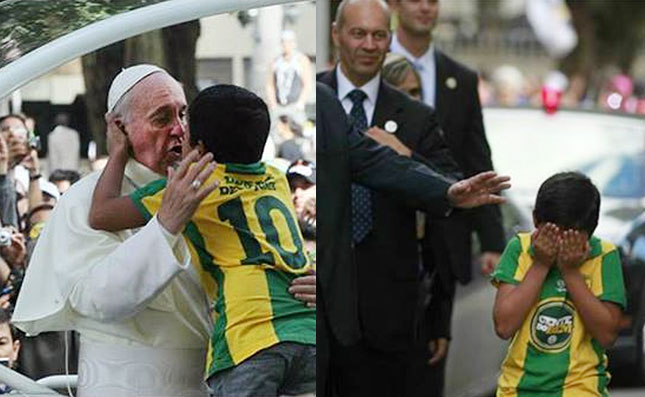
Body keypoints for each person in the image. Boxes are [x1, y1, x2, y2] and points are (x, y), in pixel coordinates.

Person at [12, 64, 315, 397]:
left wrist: (310, 286)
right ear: (120, 128)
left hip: (226, 373)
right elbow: (99, 299)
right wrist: (165, 224)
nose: (179, 130)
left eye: (184, 115)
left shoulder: (220, 183)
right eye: (162, 119)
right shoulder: (85, 198)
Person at [316, 80, 510, 395]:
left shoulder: (326, 105)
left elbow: (375, 162)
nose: (368, 45)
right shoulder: (324, 94)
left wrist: (446, 191)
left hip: (381, 315)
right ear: (337, 36)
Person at [319, 0, 464, 394]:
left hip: (389, 307)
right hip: (319, 300)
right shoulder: (311, 101)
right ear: (336, 35)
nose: (369, 44)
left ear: (390, 41)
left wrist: (404, 154)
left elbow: (450, 189)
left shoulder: (416, 116)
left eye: (379, 35)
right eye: (358, 33)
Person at [390, 1, 506, 394]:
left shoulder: (461, 78)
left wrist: (491, 240)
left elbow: (476, 157)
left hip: (441, 241)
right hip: (381, 235)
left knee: (430, 360)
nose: (424, 7)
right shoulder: (366, 65)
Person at [491, 172, 625, 396]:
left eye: (571, 237)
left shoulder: (604, 255)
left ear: (590, 231)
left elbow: (607, 335)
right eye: (553, 234)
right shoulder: (519, 249)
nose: (561, 244)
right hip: (518, 389)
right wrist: (541, 265)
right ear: (535, 221)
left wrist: (570, 272)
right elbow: (504, 326)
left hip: (581, 387)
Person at [266, 30, 313, 114]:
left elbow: (307, 83)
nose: (286, 45)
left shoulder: (301, 60)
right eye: (283, 42)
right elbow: (270, 84)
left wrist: (301, 103)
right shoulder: (276, 61)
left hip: (294, 105)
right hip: (278, 105)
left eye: (289, 42)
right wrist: (272, 103)